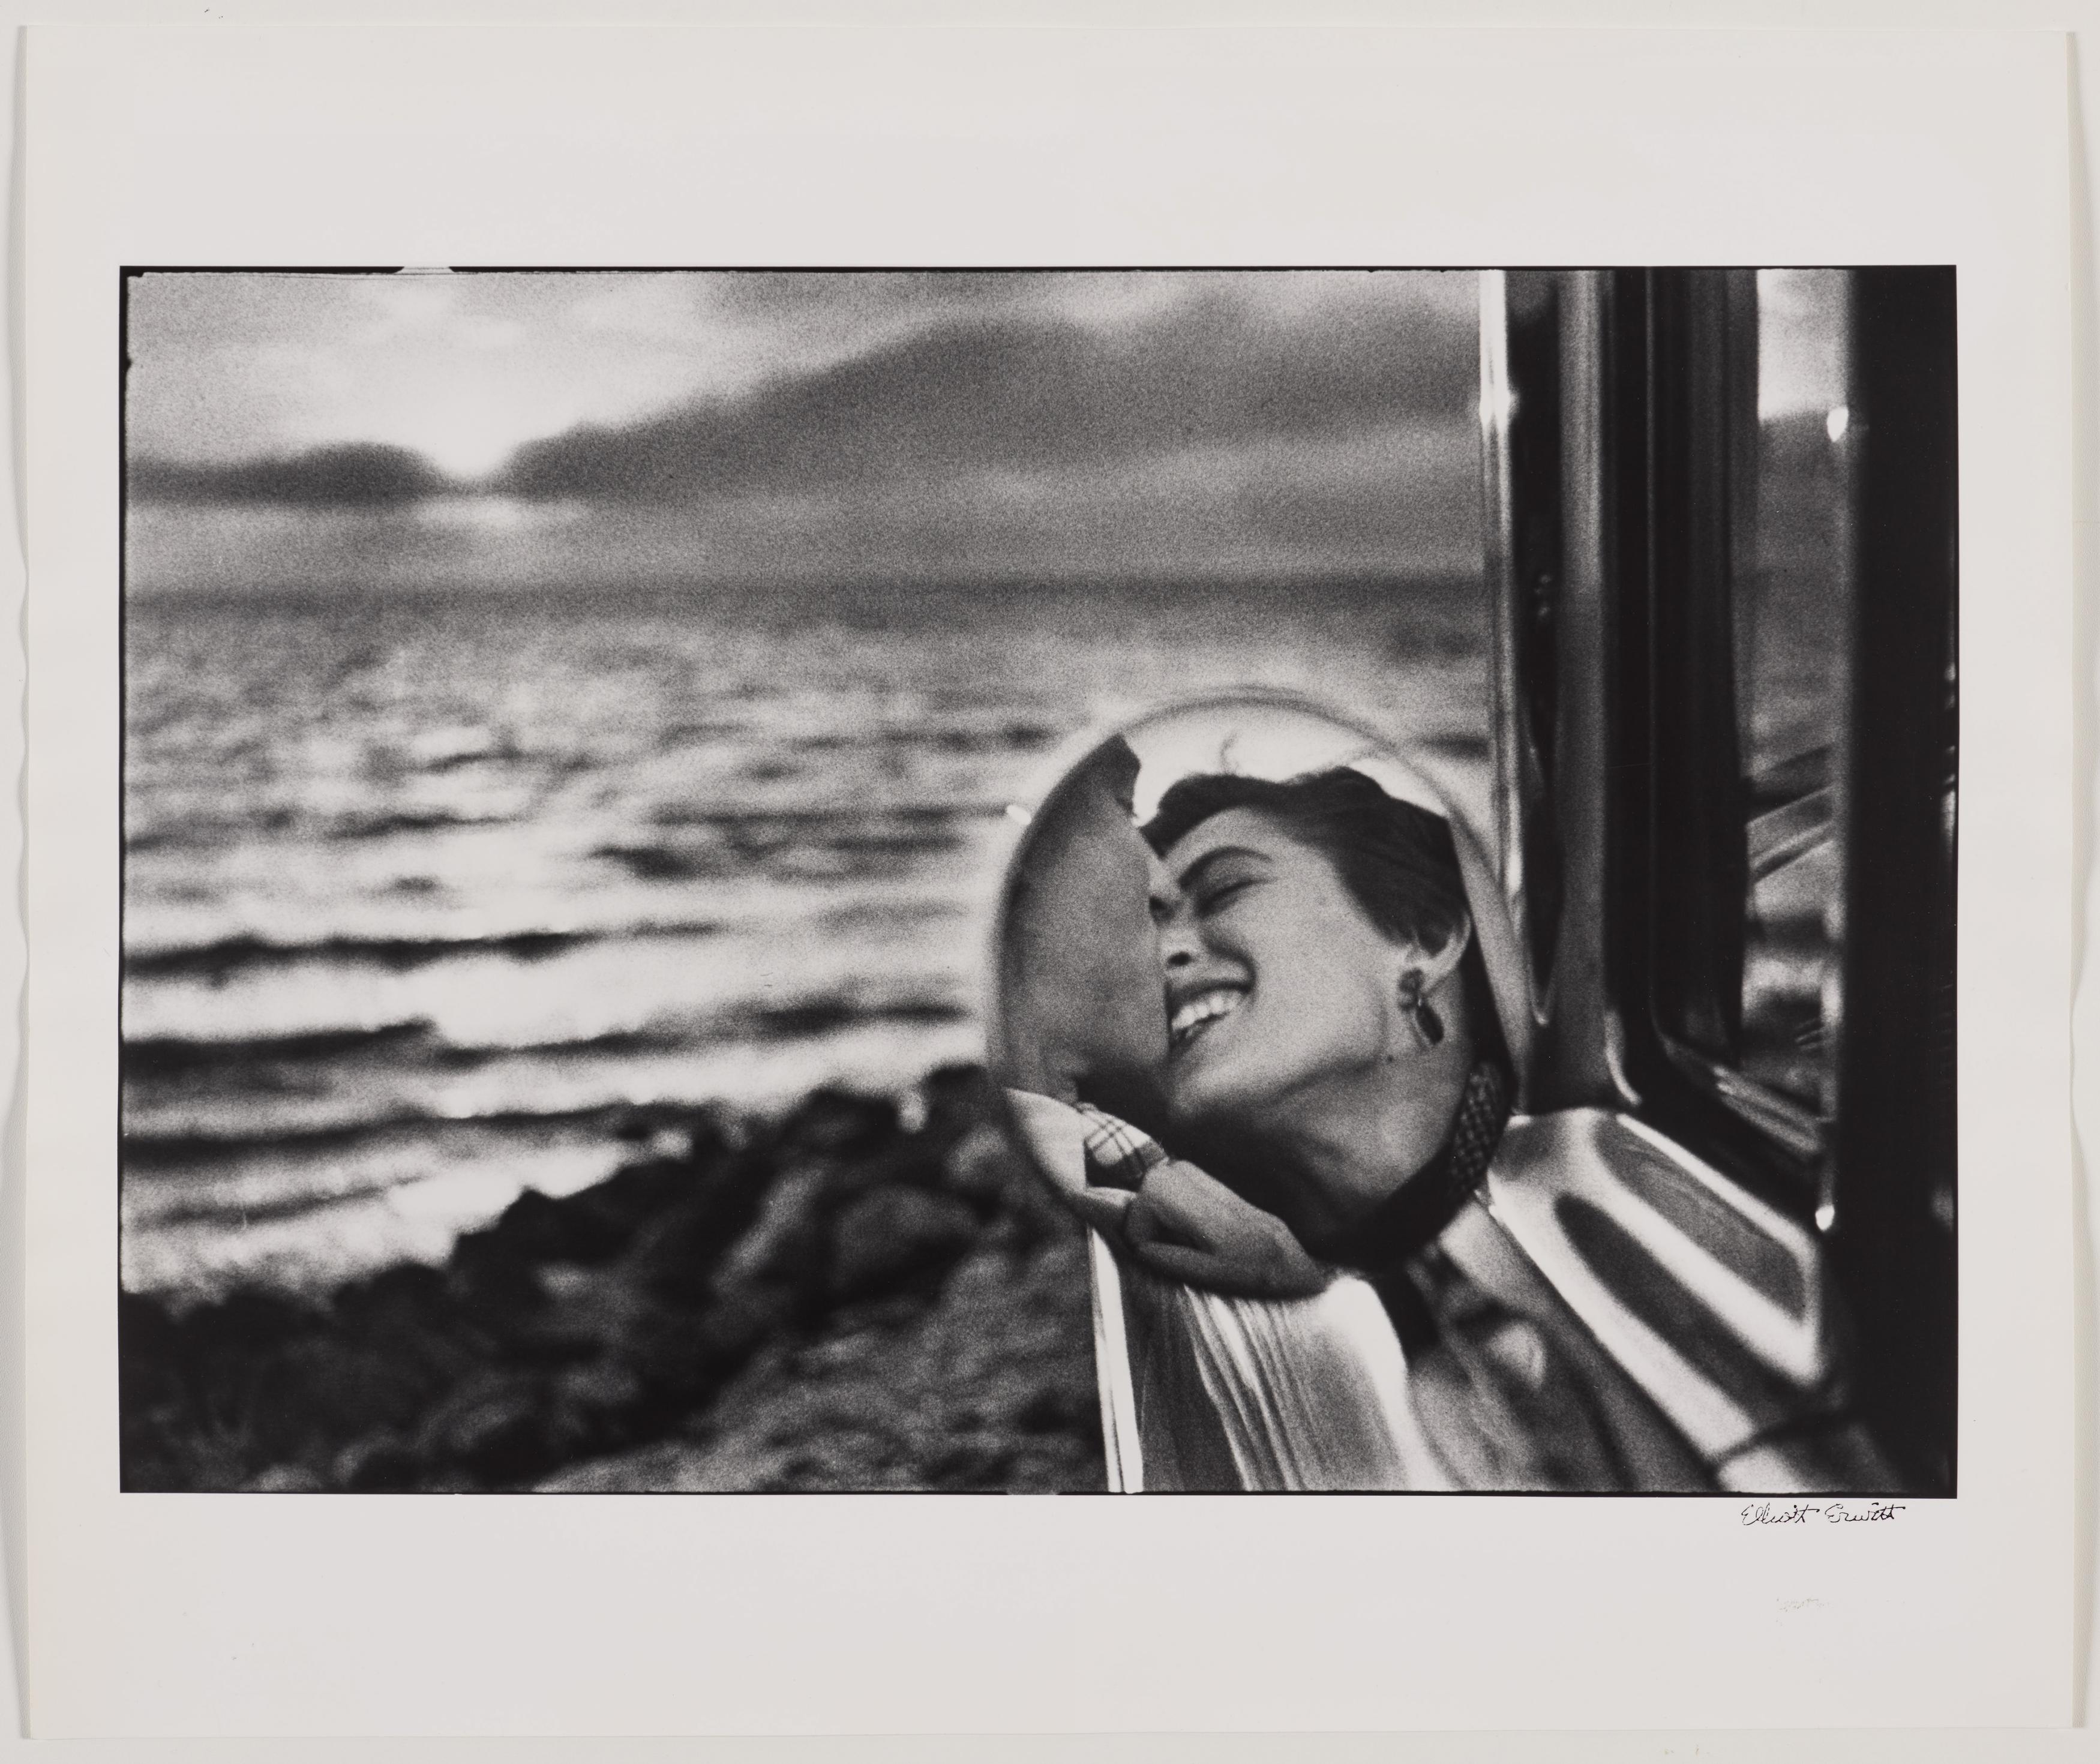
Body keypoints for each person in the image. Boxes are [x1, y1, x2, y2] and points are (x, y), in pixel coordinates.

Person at [1139, 767, 1711, 1492]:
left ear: (1424, 937)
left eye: (1225, 890)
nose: (1159, 955)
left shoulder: (1580, 1176)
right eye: (1143, 929)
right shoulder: (1224, 1241)